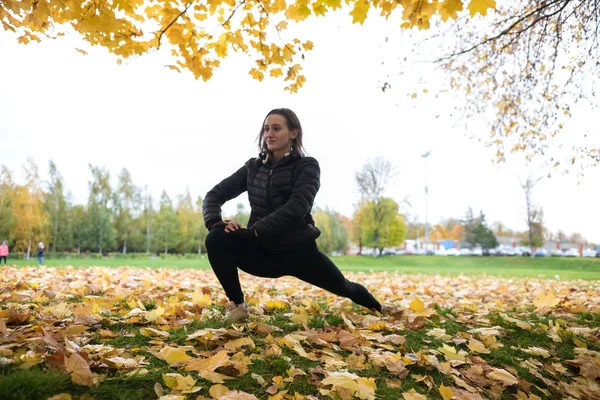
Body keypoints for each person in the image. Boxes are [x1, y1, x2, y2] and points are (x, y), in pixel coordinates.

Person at [203, 108, 382, 322]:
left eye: (276, 129)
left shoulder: (307, 166)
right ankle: (238, 307)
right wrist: (217, 222)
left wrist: (255, 231)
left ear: (293, 133)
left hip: (298, 253)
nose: (269, 133)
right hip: (260, 253)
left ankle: (379, 308)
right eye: (266, 129)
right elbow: (214, 195)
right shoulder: (253, 167)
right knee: (216, 237)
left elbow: (298, 206)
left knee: (345, 287)